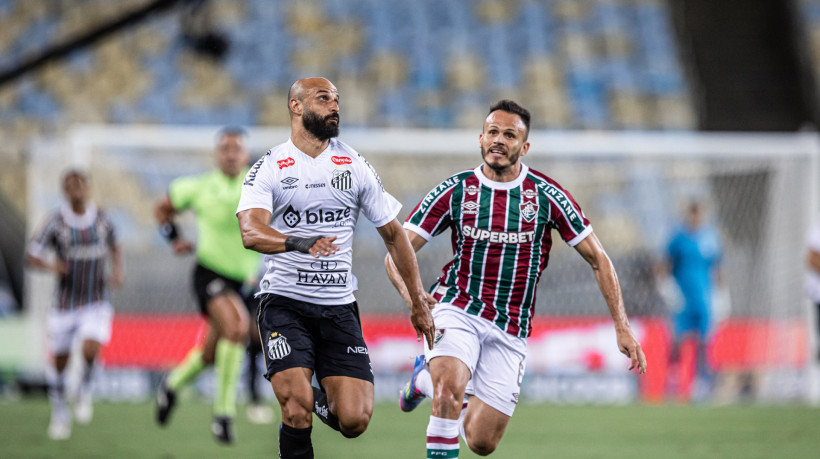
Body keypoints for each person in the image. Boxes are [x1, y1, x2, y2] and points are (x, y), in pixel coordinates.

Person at [385, 100, 647, 457]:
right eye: (493, 132)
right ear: (480, 138)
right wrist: (416, 300)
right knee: (449, 394)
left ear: (524, 147)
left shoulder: (546, 196)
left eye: (509, 135)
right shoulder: (455, 190)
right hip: (456, 306)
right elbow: (395, 253)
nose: (498, 140)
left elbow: (599, 259)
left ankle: (421, 379)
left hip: (511, 325)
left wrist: (622, 325)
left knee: (481, 441)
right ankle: (436, 383)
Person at [236, 77, 435, 459]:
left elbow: (395, 237)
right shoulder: (271, 166)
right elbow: (251, 231)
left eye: (337, 99)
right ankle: (293, 383)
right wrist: (299, 242)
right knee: (295, 410)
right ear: (296, 106)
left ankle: (300, 378)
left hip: (338, 307)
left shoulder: (354, 165)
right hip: (284, 302)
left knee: (354, 420)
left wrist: (416, 300)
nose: (335, 106)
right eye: (323, 98)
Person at [154, 126, 262, 444]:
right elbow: (162, 210)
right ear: (217, 154)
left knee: (211, 353)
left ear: (245, 155)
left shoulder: (258, 186)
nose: (230, 154)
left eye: (236, 149)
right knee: (239, 328)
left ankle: (170, 386)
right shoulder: (198, 187)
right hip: (209, 275)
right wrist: (173, 239)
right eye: (225, 149)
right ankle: (224, 415)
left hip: (243, 282)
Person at [27, 170, 123, 440]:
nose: (76, 190)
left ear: (88, 188)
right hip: (64, 304)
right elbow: (31, 255)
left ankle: (83, 389)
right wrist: (51, 265)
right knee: (59, 362)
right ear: (64, 191)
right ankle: (59, 412)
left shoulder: (102, 219)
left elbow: (117, 245)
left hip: (96, 300)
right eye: (70, 186)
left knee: (91, 348)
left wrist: (118, 270)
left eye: (80, 184)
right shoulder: (55, 222)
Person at [664, 201, 722, 402]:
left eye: (698, 215)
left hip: (704, 300)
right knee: (677, 341)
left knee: (704, 342)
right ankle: (672, 382)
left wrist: (721, 294)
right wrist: (667, 287)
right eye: (692, 215)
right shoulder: (678, 239)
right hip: (682, 300)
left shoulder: (710, 238)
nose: (695, 219)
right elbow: (664, 264)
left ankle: (701, 385)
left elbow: (717, 267)